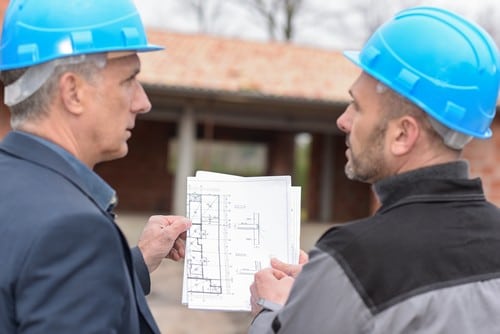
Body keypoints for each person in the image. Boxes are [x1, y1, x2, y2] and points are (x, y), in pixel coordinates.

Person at [249, 6, 500, 333]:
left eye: (358, 106)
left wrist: (270, 312)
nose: (343, 121)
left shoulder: (355, 260)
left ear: (402, 134)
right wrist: (324, 288)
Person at [0, 0, 191, 333]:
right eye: (129, 80)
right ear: (73, 92)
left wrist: (140, 259)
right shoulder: (74, 229)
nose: (143, 103)